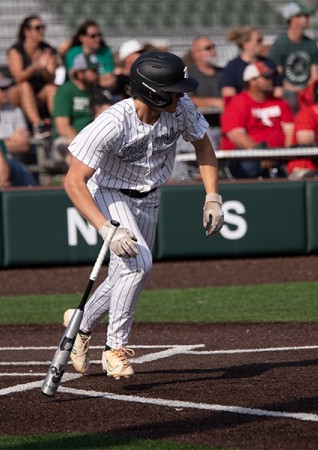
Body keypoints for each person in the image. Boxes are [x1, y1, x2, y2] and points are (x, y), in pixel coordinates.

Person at [61, 51, 223, 379]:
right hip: (110, 192)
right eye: (175, 89)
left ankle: (80, 325)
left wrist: (213, 197)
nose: (182, 95)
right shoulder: (112, 122)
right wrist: (107, 228)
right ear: (153, 92)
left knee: (127, 273)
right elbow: (73, 180)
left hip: (150, 196)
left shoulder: (182, 109)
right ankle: (114, 349)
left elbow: (203, 147)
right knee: (140, 264)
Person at [220, 61, 294, 179]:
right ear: (252, 81)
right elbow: (237, 135)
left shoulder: (280, 103)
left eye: (271, 76)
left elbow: (290, 131)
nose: (271, 80)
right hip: (249, 157)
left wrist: (285, 155)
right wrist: (262, 155)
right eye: (266, 77)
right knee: (249, 166)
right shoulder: (238, 103)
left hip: (279, 156)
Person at [7, 14, 58, 138]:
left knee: (51, 88)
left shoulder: (47, 50)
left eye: (43, 27)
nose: (42, 31)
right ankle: (38, 125)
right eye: (37, 28)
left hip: (38, 94)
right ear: (27, 31)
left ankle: (57, 124)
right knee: (25, 86)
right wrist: (35, 67)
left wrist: (45, 68)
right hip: (18, 93)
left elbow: (50, 78)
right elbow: (18, 78)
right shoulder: (16, 50)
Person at [268, 1, 318, 114]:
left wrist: (307, 89)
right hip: (288, 90)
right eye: (304, 16)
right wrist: (295, 89)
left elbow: (315, 74)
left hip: (306, 90)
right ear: (293, 18)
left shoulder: (311, 44)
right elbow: (277, 76)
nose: (307, 19)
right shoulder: (280, 44)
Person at [51, 53, 100, 162]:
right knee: (77, 157)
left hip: (91, 140)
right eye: (92, 71)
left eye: (96, 70)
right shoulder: (65, 91)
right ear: (79, 73)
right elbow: (62, 126)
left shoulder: (97, 92)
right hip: (67, 139)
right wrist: (82, 144)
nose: (96, 75)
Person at [219, 27, 282, 105]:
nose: (262, 43)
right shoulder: (233, 66)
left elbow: (278, 90)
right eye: (258, 40)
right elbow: (228, 95)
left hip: (267, 107)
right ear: (246, 44)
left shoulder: (269, 63)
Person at [186, 35, 224, 136]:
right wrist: (214, 102)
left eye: (213, 47)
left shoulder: (223, 73)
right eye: (208, 48)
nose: (213, 50)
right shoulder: (188, 74)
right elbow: (186, 99)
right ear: (196, 53)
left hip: (225, 125)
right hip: (201, 129)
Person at [63, 20, 116, 91]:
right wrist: (99, 79)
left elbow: (110, 81)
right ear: (82, 38)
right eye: (93, 36)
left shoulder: (105, 53)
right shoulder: (74, 53)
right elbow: (75, 78)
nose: (98, 39)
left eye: (99, 35)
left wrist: (90, 79)